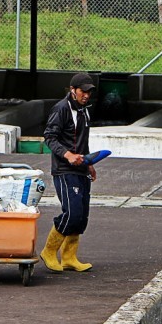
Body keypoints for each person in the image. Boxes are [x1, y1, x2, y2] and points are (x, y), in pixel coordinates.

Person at [40, 72, 97, 273]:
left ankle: (69, 257)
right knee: (72, 213)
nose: (86, 95)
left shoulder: (84, 110)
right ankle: (49, 251)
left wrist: (89, 162)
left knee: (82, 216)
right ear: (73, 90)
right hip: (65, 170)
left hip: (81, 168)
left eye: (89, 92)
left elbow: (83, 140)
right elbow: (49, 137)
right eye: (83, 91)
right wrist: (68, 155)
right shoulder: (61, 109)